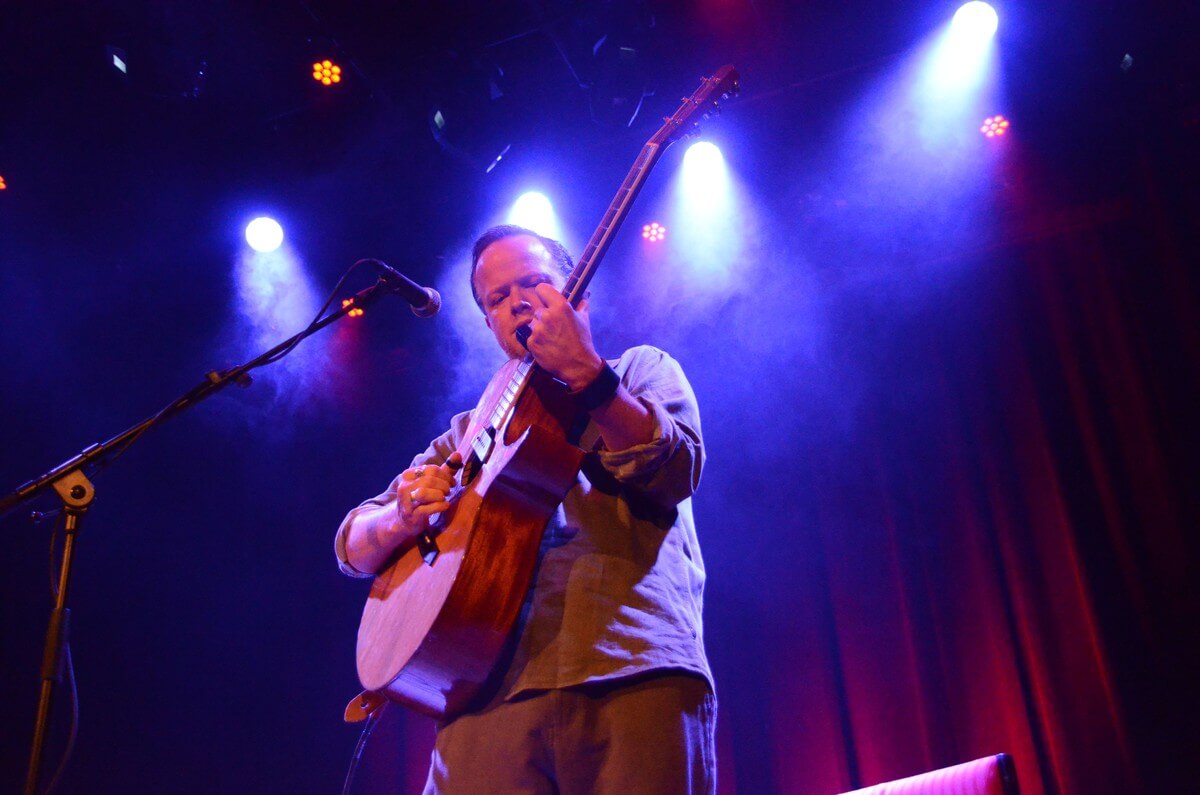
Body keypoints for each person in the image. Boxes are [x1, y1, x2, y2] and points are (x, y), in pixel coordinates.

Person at [335, 225, 714, 793]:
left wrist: (591, 378)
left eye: (536, 282)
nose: (517, 300)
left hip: (631, 669)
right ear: (490, 324)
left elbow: (675, 469)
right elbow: (353, 545)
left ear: (576, 295)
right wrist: (401, 517)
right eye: (497, 297)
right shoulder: (468, 429)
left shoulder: (639, 370)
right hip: (481, 692)